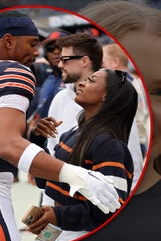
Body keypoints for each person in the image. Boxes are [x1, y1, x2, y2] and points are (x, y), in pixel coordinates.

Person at [0, 1, 161, 241]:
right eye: (55, 54)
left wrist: (60, 211)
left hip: (86, 223)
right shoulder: (66, 110)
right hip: (58, 217)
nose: (57, 62)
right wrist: (37, 139)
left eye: (65, 58)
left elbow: (108, 200)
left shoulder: (109, 139)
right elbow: (46, 171)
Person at [0, 9, 120, 241]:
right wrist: (77, 176)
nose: (41, 54)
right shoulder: (20, 75)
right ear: (9, 41)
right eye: (34, 44)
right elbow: (11, 146)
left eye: (64, 57)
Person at [27, 68, 137, 240]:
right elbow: (45, 182)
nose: (81, 83)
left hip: (86, 240)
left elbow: (112, 209)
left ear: (107, 96)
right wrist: (37, 141)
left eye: (91, 80)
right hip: (62, 234)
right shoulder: (73, 133)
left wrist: (59, 216)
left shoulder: (109, 145)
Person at [44, 33, 143, 200]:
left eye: (65, 59)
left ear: (84, 60)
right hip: (61, 210)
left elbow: (132, 159)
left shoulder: (116, 105)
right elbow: (53, 159)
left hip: (97, 214)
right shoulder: (60, 99)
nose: (60, 64)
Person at [102, 42, 149, 157]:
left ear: (115, 62)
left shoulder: (129, 88)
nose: (101, 67)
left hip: (136, 147)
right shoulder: (132, 84)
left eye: (103, 62)